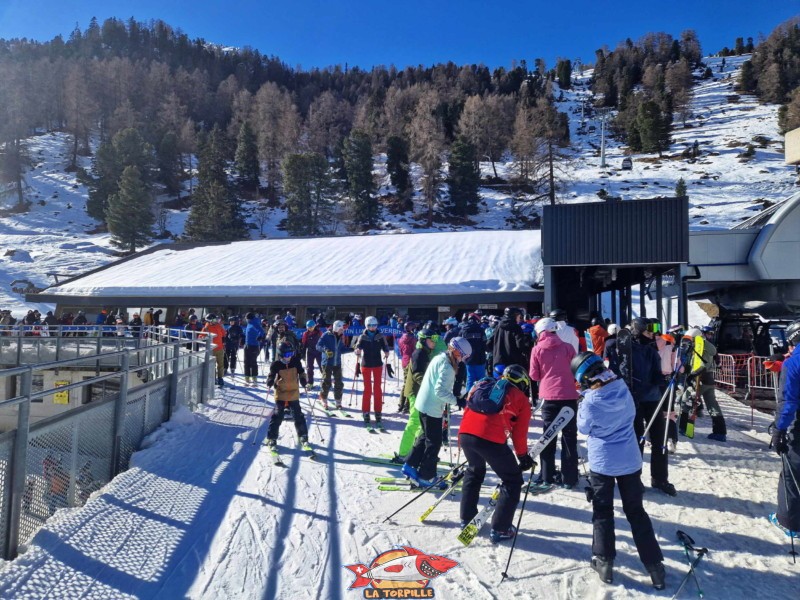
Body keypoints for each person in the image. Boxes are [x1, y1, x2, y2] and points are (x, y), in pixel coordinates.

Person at [573, 352, 666, 590]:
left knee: (603, 510)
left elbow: (583, 428)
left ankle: (604, 562)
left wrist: (583, 400)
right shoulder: (621, 386)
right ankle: (654, 566)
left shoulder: (591, 401)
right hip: (629, 459)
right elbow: (631, 413)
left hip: (603, 462)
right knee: (636, 512)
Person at [458, 364, 533, 543]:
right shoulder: (520, 398)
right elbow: (519, 434)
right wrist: (522, 457)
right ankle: (501, 528)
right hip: (489, 440)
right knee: (513, 481)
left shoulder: (483, 385)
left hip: (466, 434)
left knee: (474, 471)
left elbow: (468, 410)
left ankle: (466, 518)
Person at [403, 337, 471, 486]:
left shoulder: (440, 357)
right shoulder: (447, 367)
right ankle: (426, 476)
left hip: (424, 403)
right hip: (431, 407)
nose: (463, 360)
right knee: (434, 443)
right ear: (457, 352)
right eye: (463, 356)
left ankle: (410, 464)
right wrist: (457, 401)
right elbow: (440, 391)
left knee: (425, 436)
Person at [624, 318, 677, 496]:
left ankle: (660, 478)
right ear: (638, 332)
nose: (652, 336)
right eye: (648, 333)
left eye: (653, 333)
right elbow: (623, 373)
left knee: (659, 439)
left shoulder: (651, 350)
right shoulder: (627, 349)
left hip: (652, 398)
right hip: (635, 400)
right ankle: (634, 478)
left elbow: (656, 372)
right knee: (637, 439)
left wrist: (662, 380)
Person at [529, 317, 579, 489]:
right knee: (569, 438)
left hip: (549, 397)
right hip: (569, 396)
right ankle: (569, 478)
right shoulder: (568, 347)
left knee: (548, 437)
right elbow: (576, 369)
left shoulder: (537, 349)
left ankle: (546, 476)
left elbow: (534, 375)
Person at [770, 319, 800, 536]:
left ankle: (788, 521)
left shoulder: (793, 363)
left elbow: (788, 401)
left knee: (791, 473)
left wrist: (779, 430)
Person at [395, 326, 438, 461]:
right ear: (425, 340)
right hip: (415, 392)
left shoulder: (425, 352)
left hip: (419, 392)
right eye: (433, 339)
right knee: (414, 422)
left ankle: (416, 452)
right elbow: (417, 375)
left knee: (420, 424)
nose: (435, 342)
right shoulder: (419, 353)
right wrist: (431, 385)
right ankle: (403, 454)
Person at [265, 341, 310, 448]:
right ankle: (272, 438)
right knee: (277, 416)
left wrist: (304, 379)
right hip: (281, 393)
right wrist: (270, 380)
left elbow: (302, 372)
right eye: (287, 355)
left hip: (294, 392)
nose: (289, 357)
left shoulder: (295, 361)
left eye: (291, 354)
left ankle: (303, 435)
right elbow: (271, 375)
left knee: (298, 415)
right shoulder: (276, 364)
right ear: (281, 354)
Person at [355, 316, 390, 430]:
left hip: (377, 365)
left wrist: (386, 351)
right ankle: (366, 411)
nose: (372, 328)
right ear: (366, 326)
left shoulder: (380, 336)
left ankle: (378, 411)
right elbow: (357, 346)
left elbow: (385, 346)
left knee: (377, 389)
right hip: (366, 365)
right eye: (370, 325)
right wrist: (357, 351)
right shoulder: (363, 336)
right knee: (368, 389)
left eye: (374, 325)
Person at [316, 320, 354, 410]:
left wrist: (352, 349)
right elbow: (318, 346)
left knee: (339, 383)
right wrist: (325, 350)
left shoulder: (340, 337)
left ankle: (338, 401)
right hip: (327, 363)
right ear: (336, 328)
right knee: (327, 382)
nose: (343, 331)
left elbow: (342, 349)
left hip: (337, 363)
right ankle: (323, 398)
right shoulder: (326, 335)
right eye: (341, 329)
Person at [490, 307, 531, 372]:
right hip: (512, 363)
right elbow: (520, 345)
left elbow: (489, 343)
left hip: (498, 362)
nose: (519, 318)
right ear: (515, 316)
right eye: (519, 316)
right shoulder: (516, 327)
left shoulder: (498, 326)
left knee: (499, 381)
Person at [459, 313, 488, 390]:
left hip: (468, 359)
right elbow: (485, 344)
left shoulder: (463, 330)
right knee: (481, 380)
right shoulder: (481, 330)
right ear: (477, 319)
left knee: (470, 378)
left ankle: (469, 397)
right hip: (480, 358)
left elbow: (459, 343)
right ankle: (480, 396)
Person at [397, 322, 418, 413]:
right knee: (411, 384)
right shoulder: (413, 339)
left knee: (406, 383)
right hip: (411, 361)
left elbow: (401, 351)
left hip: (404, 361)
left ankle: (401, 404)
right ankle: (406, 405)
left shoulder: (401, 338)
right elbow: (416, 350)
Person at [201, 314, 227, 387]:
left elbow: (223, 333)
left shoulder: (218, 325)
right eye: (214, 320)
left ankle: (220, 378)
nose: (216, 321)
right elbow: (200, 336)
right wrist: (205, 339)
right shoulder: (206, 328)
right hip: (211, 349)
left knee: (221, 364)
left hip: (220, 348)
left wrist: (224, 338)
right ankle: (213, 378)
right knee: (212, 365)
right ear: (209, 321)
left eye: (216, 320)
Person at [301, 320, 323, 388]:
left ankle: (326, 381)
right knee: (309, 368)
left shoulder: (319, 332)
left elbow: (323, 341)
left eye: (311, 327)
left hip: (319, 352)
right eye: (309, 327)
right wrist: (303, 354)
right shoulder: (306, 334)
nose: (310, 329)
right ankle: (310, 382)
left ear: (314, 326)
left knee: (322, 367)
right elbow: (304, 344)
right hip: (310, 352)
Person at [243, 312, 264, 387]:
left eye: (246, 318)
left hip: (254, 345)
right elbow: (248, 333)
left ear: (249, 318)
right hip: (247, 345)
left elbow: (262, 331)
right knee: (246, 362)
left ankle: (254, 379)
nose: (246, 320)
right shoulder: (249, 323)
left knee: (253, 362)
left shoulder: (255, 323)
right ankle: (247, 378)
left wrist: (260, 336)